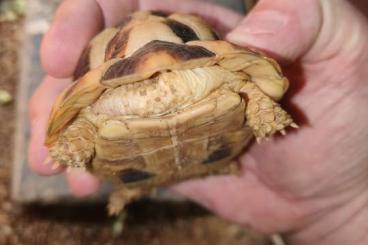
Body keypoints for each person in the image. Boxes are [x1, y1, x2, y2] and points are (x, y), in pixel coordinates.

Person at [28, 0, 368, 244]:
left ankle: (132, 187)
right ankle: (132, 187)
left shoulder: (220, 75)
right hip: (208, 138)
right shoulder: (220, 79)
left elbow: (247, 81)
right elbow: (247, 83)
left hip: (173, 140)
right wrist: (346, 211)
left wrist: (347, 207)